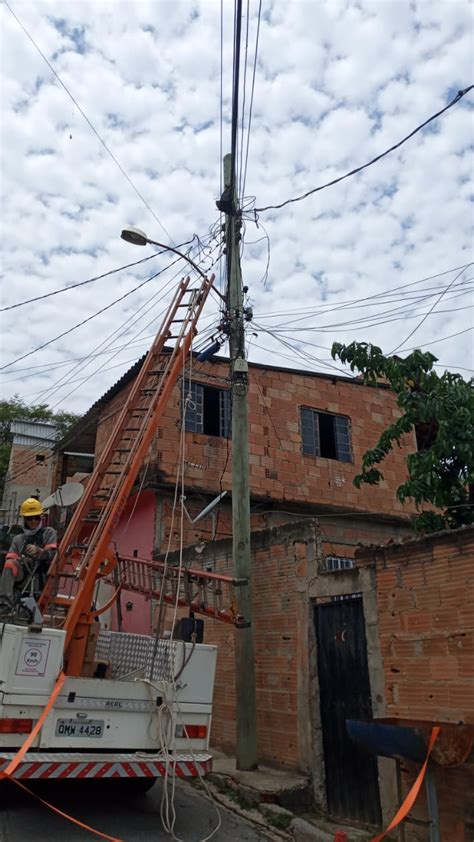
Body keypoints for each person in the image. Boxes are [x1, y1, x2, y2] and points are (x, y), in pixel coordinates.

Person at [0, 497, 57, 617]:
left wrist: (39, 551)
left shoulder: (48, 533)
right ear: (25, 519)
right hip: (24, 577)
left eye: (36, 517)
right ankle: (5, 604)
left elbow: (52, 554)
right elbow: (10, 560)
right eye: (29, 518)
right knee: (10, 564)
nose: (33, 521)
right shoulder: (19, 539)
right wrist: (23, 559)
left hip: (40, 578)